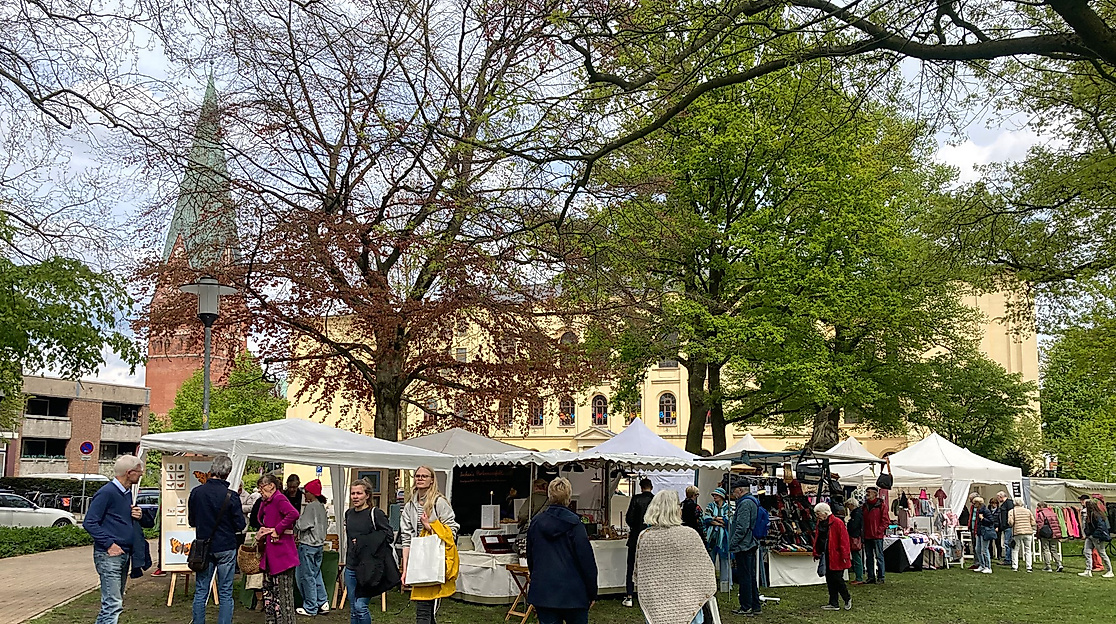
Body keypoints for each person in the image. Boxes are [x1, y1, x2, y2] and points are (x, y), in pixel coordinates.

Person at [83, 455, 154, 624]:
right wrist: (109, 544)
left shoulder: (127, 493)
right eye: (139, 472)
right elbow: (90, 522)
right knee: (113, 604)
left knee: (114, 602)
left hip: (123, 553)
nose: (141, 474)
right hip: (110, 555)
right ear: (129, 473)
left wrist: (139, 515)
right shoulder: (107, 493)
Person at [635, 491, 717, 624]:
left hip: (657, 603)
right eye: (678, 506)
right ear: (674, 509)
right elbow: (705, 570)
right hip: (689, 601)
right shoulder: (690, 534)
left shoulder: (645, 536)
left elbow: (641, 576)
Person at [526, 477, 598, 624]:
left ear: (549, 496)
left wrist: (536, 579)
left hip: (545, 591)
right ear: (569, 497)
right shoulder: (576, 524)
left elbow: (531, 557)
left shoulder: (536, 523)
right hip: (574, 592)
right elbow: (586, 561)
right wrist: (592, 592)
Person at [188, 455, 247, 624]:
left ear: (212, 469)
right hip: (226, 546)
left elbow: (192, 520)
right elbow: (240, 525)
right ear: (228, 473)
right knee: (226, 592)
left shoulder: (197, 492)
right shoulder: (231, 496)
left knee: (201, 591)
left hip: (203, 546)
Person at [401, 466, 460, 624]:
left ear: (432, 480)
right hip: (417, 559)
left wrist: (430, 527)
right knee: (426, 606)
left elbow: (452, 531)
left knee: (423, 607)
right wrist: (405, 568)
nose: (420, 479)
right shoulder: (409, 505)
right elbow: (406, 539)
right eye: (418, 476)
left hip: (433, 558)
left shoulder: (439, 502)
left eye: (424, 476)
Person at [345, 478, 399, 624]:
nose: (355, 497)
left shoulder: (375, 514)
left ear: (367, 495)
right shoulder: (349, 514)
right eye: (353, 493)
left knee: (360, 606)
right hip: (351, 566)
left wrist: (364, 540)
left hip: (369, 567)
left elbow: (388, 535)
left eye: (359, 493)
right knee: (354, 609)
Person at [256, 473, 301, 624]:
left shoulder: (279, 498)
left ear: (271, 486)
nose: (260, 490)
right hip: (270, 554)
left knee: (283, 596)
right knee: (269, 594)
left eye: (262, 487)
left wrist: (278, 529)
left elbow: (293, 514)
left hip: (282, 555)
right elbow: (260, 517)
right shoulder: (267, 501)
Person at [294, 479, 330, 617]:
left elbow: (303, 525)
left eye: (306, 492)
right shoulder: (321, 506)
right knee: (316, 574)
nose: (304, 494)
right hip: (319, 545)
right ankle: (323, 602)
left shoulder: (311, 507)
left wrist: (296, 521)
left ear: (312, 493)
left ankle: (310, 606)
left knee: (306, 576)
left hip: (308, 545)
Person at [728, 482, 760, 617]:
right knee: (750, 576)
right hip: (748, 543)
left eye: (734, 491)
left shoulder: (745, 504)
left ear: (740, 490)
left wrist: (732, 544)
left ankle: (746, 606)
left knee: (745, 577)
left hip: (744, 545)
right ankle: (755, 605)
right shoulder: (751, 501)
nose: (733, 494)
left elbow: (742, 527)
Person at [622, 478, 655, 608]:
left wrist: (635, 526)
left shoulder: (635, 499)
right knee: (649, 568)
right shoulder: (655, 500)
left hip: (636, 537)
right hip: (651, 537)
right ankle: (648, 596)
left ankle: (629, 596)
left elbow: (629, 518)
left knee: (631, 566)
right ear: (651, 487)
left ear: (641, 487)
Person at [813, 503, 852, 611]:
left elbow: (844, 541)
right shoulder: (820, 523)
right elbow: (818, 538)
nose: (817, 516)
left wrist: (845, 556)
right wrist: (816, 551)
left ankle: (847, 598)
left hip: (837, 555)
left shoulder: (837, 523)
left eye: (818, 513)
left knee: (837, 579)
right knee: (830, 579)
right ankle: (833, 602)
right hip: (826, 554)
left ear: (825, 513)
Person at [703, 487, 733, 593]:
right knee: (710, 561)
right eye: (714, 495)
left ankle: (725, 584)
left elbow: (729, 520)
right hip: (711, 537)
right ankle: (709, 585)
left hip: (723, 538)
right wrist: (720, 521)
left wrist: (715, 518)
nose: (714, 496)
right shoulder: (710, 506)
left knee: (725, 561)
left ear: (721, 496)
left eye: (716, 495)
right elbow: (706, 518)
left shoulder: (727, 507)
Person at [1079, 498, 1113, 577]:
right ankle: (1088, 570)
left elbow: (1100, 527)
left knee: (1102, 553)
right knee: (1086, 551)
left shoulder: (1096, 515)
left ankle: (1110, 571)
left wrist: (1094, 535)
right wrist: (1088, 534)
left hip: (1097, 537)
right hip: (1090, 536)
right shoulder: (1090, 514)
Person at [861, 487, 887, 584]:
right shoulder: (865, 506)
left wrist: (878, 531)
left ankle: (881, 577)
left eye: (869, 492)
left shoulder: (881, 506)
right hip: (867, 535)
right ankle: (871, 576)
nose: (867, 494)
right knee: (869, 557)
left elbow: (885, 521)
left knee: (879, 556)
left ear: (875, 494)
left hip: (877, 536)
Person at [1034, 502, 1064, 572]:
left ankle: (1048, 566)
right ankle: (1059, 564)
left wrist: (1038, 533)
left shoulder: (1041, 514)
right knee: (1054, 549)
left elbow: (1040, 525)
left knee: (1046, 549)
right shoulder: (1053, 513)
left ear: (1041, 507)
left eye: (1038, 507)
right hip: (1054, 533)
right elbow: (1057, 524)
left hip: (1045, 534)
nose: (1037, 508)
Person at [1007, 497, 1034, 572]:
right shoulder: (1027, 511)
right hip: (1028, 532)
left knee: (1015, 549)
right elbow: (1033, 522)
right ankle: (1029, 567)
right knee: (1028, 549)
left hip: (1017, 532)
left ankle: (1015, 566)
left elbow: (1010, 522)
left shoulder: (1012, 511)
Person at [973, 496, 996, 574]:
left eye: (975, 503)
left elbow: (991, 521)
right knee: (977, 549)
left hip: (985, 532)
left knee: (984, 550)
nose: (973, 504)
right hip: (980, 532)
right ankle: (982, 565)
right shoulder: (978, 511)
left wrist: (983, 518)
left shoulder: (986, 511)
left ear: (978, 503)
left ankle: (988, 566)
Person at [844, 499, 865, 584]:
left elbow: (854, 526)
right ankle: (859, 576)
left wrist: (848, 524)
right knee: (857, 557)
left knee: (856, 557)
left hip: (854, 537)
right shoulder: (859, 512)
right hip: (856, 536)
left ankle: (859, 577)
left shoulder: (856, 514)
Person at [996, 491, 1015, 566]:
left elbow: (1011, 514)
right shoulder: (1005, 504)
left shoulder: (1008, 503)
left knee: (1008, 543)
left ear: (1001, 497)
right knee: (1006, 542)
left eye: (998, 497)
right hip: (1005, 527)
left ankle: (1008, 559)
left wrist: (1009, 523)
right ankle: (1008, 558)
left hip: (1008, 526)